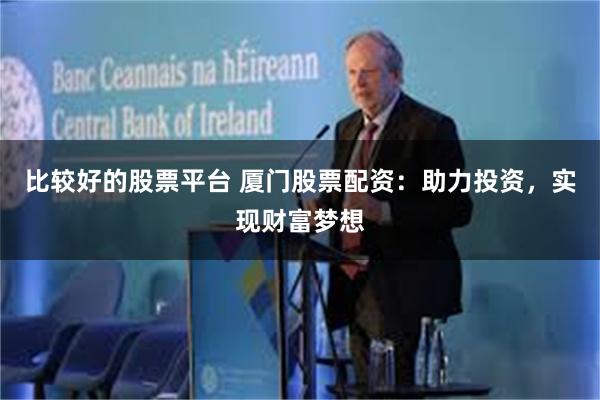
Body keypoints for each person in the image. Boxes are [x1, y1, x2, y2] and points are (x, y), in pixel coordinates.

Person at [306, 30, 473, 389]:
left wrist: (384, 211)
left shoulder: (430, 128)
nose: (358, 82)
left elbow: (457, 208)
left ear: (396, 75)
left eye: (368, 72)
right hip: (354, 285)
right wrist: (319, 213)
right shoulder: (347, 128)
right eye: (351, 73)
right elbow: (339, 196)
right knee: (364, 390)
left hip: (407, 290)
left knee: (399, 391)